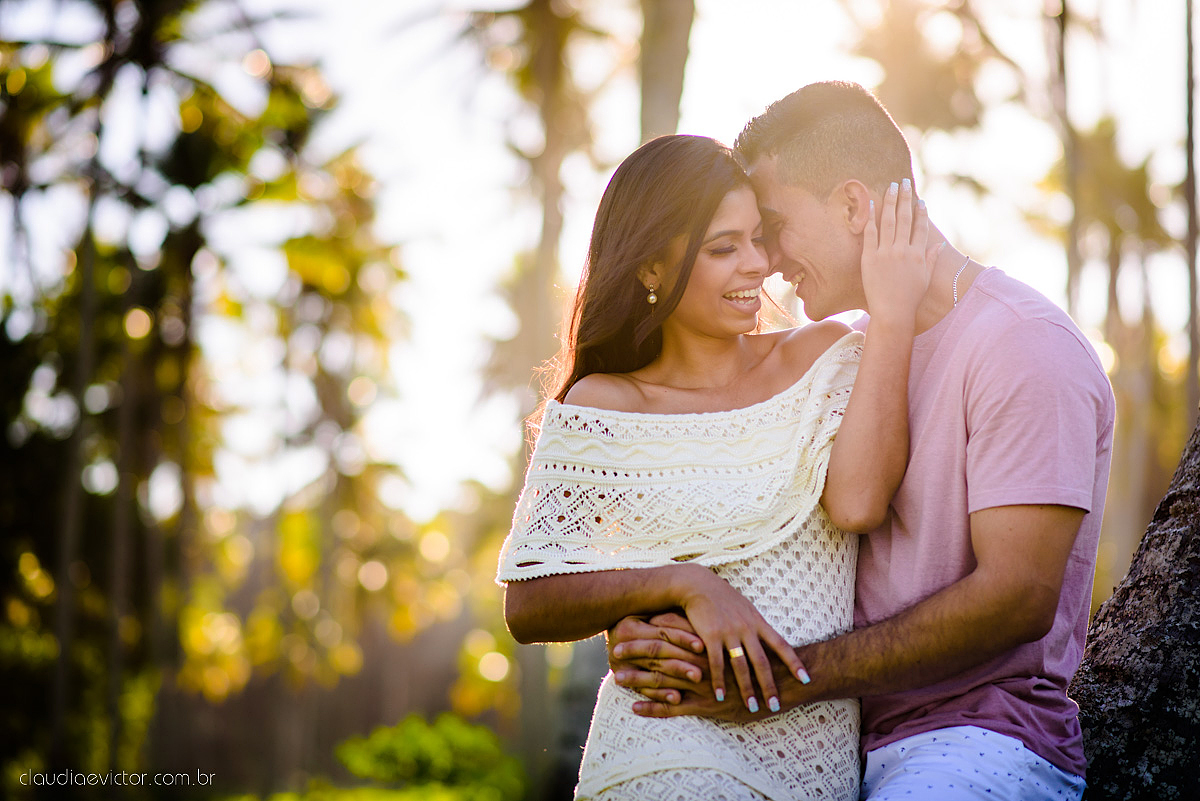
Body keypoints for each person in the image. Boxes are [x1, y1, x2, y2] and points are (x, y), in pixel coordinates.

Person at [607, 81, 1116, 801]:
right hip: (828, 744)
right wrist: (652, 633)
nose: (767, 260)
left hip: (972, 746)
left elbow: (1017, 597)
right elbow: (724, 514)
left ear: (851, 206)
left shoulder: (1024, 345)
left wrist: (790, 677)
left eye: (774, 226)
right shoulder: (842, 357)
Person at [496, 133, 935, 800]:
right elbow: (531, 601)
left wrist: (894, 312)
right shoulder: (603, 405)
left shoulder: (825, 357)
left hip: (814, 761)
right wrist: (682, 582)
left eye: (758, 238)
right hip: (664, 745)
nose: (757, 264)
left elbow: (859, 502)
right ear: (650, 269)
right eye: (723, 248)